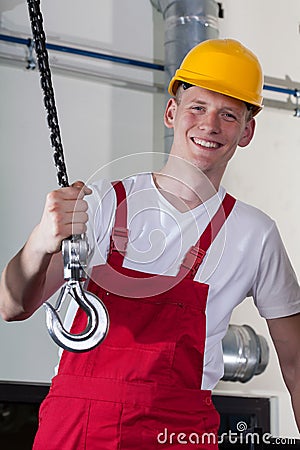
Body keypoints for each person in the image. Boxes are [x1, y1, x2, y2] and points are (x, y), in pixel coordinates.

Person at [0, 38, 300, 449]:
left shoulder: (256, 234)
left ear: (247, 131)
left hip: (177, 433)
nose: (210, 125)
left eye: (228, 114)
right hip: (76, 430)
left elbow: (296, 364)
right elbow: (12, 306)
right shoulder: (100, 203)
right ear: (172, 112)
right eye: (197, 107)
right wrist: (40, 242)